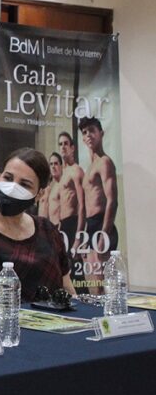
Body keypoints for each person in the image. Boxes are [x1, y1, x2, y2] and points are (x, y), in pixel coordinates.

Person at [0, 148, 76, 308]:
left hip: (60, 324)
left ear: (39, 195)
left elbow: (69, 291)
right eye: (8, 178)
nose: (12, 188)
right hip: (11, 328)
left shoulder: (47, 230)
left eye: (24, 185)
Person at [79, 116, 118, 294]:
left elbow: (112, 200)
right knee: (93, 287)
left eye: (92, 131)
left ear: (101, 133)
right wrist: (83, 236)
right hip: (90, 226)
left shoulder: (105, 162)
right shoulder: (89, 168)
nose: (89, 135)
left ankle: (109, 321)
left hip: (103, 225)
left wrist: (104, 232)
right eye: (85, 132)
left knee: (103, 288)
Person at [57, 132, 86, 255]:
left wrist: (78, 238)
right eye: (60, 144)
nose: (63, 147)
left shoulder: (76, 171)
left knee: (75, 268)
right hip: (62, 225)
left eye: (66, 144)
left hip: (73, 224)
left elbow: (83, 205)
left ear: (72, 148)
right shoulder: (62, 172)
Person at [38, 152, 62, 227]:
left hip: (58, 225)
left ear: (61, 165)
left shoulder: (62, 185)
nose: (53, 166)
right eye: (51, 164)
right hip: (46, 227)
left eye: (55, 163)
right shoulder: (49, 188)